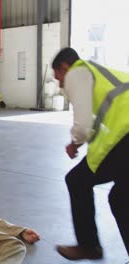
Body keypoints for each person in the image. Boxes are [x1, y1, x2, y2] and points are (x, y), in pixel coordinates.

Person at [52, 47, 129, 260]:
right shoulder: (97, 71)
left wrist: (74, 144)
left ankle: (88, 246)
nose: (60, 84)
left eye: (58, 78)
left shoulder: (77, 73)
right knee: (121, 198)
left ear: (64, 67)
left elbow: (83, 125)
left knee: (77, 180)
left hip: (125, 136)